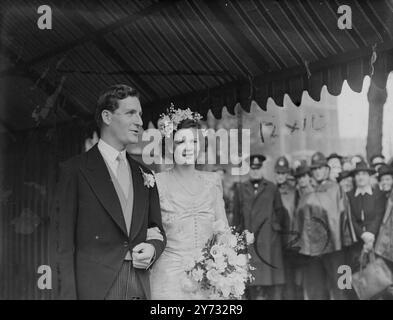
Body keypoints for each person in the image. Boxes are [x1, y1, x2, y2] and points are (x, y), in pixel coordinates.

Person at [50, 84, 166, 300]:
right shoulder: (74, 170)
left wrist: (153, 248)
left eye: (140, 114)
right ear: (107, 116)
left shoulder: (145, 173)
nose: (139, 122)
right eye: (131, 113)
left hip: (138, 287)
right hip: (94, 290)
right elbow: (61, 246)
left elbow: (155, 227)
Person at [149, 108, 229, 300]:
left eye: (194, 141)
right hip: (168, 280)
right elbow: (149, 230)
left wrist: (226, 268)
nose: (189, 147)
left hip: (208, 277)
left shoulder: (212, 181)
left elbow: (223, 230)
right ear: (170, 146)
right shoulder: (156, 183)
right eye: (180, 141)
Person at [292, 152, 354, 300]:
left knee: (341, 287)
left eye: (321, 168)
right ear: (312, 172)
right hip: (313, 251)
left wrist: (346, 243)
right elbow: (300, 219)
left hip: (336, 248)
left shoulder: (336, 189)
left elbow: (345, 216)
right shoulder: (307, 193)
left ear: (327, 169)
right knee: (316, 289)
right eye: (315, 169)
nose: (318, 172)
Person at [233, 154, 288, 300]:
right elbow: (236, 217)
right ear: (248, 170)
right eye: (252, 168)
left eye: (258, 168)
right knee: (251, 284)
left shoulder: (271, 188)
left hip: (269, 242)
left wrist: (274, 229)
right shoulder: (240, 189)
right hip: (249, 242)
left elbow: (280, 212)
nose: (255, 171)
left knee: (270, 284)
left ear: (262, 169)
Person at [346, 161, 386, 299]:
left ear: (369, 176)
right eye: (357, 174)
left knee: (376, 281)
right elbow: (350, 218)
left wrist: (370, 236)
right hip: (356, 242)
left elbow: (379, 216)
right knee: (357, 280)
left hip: (374, 242)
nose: (360, 177)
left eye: (364, 174)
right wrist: (362, 235)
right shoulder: (349, 196)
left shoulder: (378, 194)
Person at [274, 156, 297, 300]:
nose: (281, 176)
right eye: (278, 173)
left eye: (284, 173)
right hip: (275, 242)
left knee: (290, 279)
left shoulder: (294, 191)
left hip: (290, 242)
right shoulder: (270, 190)